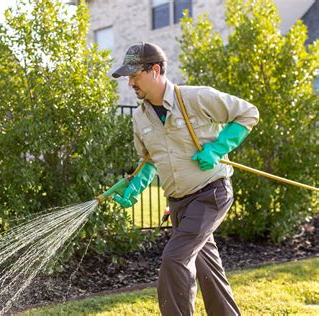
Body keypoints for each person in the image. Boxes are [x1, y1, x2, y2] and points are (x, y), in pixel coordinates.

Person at [111, 42, 259, 316]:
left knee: (174, 259)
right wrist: (135, 187)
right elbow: (149, 161)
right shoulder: (140, 118)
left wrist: (217, 147)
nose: (130, 82)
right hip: (179, 203)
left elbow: (248, 113)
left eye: (134, 75)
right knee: (208, 269)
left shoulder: (195, 98)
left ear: (155, 70)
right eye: (128, 77)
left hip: (210, 194)